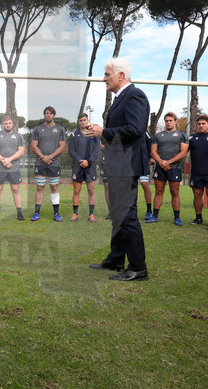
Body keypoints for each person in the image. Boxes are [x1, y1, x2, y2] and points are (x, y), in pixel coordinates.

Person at [86, 58, 150, 281]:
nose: (104, 78)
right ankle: (115, 259)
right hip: (118, 164)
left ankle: (138, 267)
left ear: (121, 75)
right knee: (118, 214)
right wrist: (102, 132)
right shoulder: (120, 98)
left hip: (127, 164)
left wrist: (104, 132)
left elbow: (136, 129)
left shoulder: (135, 95)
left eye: (107, 74)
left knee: (126, 214)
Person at [149, 111, 189, 225]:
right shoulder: (158, 135)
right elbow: (153, 151)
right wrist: (162, 163)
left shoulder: (182, 135)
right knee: (159, 191)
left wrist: (169, 163)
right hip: (160, 167)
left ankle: (177, 218)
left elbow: (183, 153)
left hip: (174, 167)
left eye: (171, 120)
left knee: (174, 192)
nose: (168, 122)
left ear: (175, 122)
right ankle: (154, 216)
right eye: (166, 121)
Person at [29, 106, 67, 222]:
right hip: (41, 163)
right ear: (44, 115)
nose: (48, 115)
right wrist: (42, 157)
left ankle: (56, 213)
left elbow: (62, 146)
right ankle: (36, 213)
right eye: (46, 113)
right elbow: (33, 146)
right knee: (40, 187)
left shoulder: (60, 129)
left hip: (54, 163)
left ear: (54, 115)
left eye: (50, 113)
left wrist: (50, 157)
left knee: (54, 187)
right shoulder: (37, 129)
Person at [0, 115, 26, 220]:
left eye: (9, 123)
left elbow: (21, 151)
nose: (8, 125)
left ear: (12, 124)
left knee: (15, 189)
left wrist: (9, 160)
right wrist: (4, 161)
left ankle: (19, 213)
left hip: (14, 168)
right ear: (2, 124)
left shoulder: (18, 136)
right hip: (0, 168)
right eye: (6, 123)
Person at [187, 115, 208, 226]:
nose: (201, 126)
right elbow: (182, 151)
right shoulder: (191, 138)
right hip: (196, 172)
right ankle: (198, 217)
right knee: (197, 194)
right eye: (199, 124)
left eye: (203, 123)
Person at [68, 112, 100, 222]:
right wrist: (80, 160)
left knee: (91, 190)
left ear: (88, 121)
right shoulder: (73, 135)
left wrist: (89, 161)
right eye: (80, 120)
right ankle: (75, 214)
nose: (83, 122)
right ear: (78, 122)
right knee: (76, 191)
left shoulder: (94, 134)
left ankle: (91, 214)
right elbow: (71, 151)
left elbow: (97, 151)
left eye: (84, 120)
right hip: (78, 167)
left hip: (90, 167)